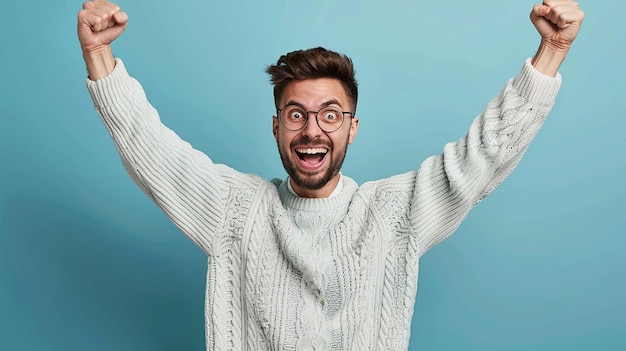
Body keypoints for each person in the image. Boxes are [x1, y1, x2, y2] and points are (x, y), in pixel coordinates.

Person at [77, 0, 584, 350]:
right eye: (296, 114)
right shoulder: (236, 210)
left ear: (352, 128)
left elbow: (485, 153)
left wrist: (552, 52)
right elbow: (150, 147)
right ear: (276, 128)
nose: (312, 130)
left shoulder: (393, 215)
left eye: (330, 114)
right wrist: (98, 54)